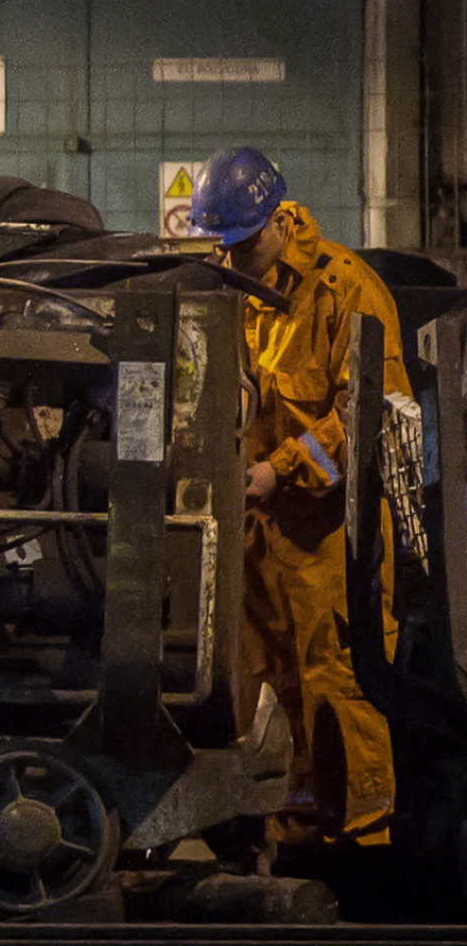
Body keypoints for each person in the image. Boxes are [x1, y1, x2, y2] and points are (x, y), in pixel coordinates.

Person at [187, 145, 407, 847]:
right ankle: (291, 818)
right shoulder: (241, 291)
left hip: (328, 528)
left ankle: (364, 831)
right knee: (263, 673)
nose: (233, 259)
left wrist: (281, 469)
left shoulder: (345, 288)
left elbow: (372, 411)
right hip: (258, 524)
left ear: (281, 219)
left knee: (332, 672)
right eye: (222, 248)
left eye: (243, 244)